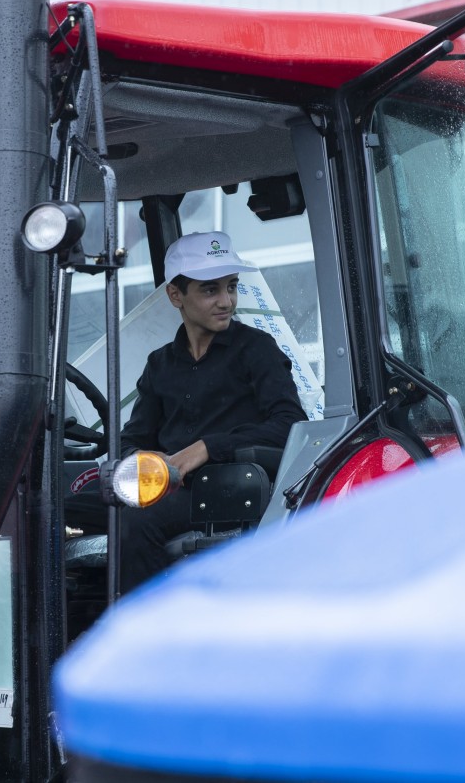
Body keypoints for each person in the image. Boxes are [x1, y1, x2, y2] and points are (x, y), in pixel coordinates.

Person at [70, 231, 307, 592]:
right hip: (166, 488)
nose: (226, 301)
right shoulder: (160, 364)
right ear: (175, 295)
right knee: (54, 508)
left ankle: (149, 637)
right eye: (211, 290)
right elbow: (131, 439)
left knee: (136, 524)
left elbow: (291, 426)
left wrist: (207, 448)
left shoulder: (256, 349)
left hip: (228, 489)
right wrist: (147, 462)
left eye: (231, 287)